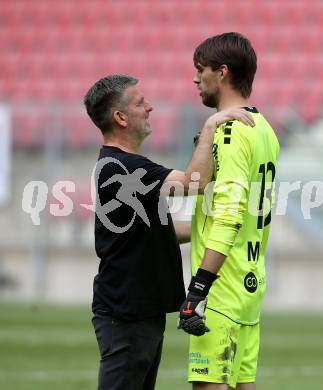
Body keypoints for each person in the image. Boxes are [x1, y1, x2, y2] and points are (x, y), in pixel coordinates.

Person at [83, 74, 254, 390]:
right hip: (127, 313)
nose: (149, 107)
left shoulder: (122, 165)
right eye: (139, 103)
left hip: (139, 312)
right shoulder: (121, 168)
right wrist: (210, 127)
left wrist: (222, 227)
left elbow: (159, 230)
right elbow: (195, 183)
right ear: (120, 117)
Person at [178, 32, 280, 390]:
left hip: (221, 289)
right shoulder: (265, 129)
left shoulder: (230, 131)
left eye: (200, 69)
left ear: (221, 73)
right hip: (250, 283)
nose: (195, 79)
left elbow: (230, 214)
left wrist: (198, 289)